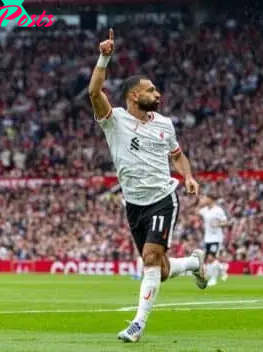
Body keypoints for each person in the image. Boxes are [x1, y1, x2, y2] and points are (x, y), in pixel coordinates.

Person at [89, 29, 208, 343]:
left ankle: (138, 324)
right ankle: (195, 262)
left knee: (152, 259)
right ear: (133, 96)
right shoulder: (113, 119)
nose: (157, 94)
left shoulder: (164, 124)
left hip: (162, 198)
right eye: (151, 90)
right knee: (162, 268)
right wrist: (104, 57)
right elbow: (93, 92)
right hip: (134, 203)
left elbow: (178, 156)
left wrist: (189, 176)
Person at [197, 194, 229, 286]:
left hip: (216, 238)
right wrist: (200, 204)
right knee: (208, 260)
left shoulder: (218, 210)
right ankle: (222, 268)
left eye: (205, 198)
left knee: (211, 259)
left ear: (211, 199)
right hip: (207, 238)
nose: (204, 199)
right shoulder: (205, 210)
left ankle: (213, 279)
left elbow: (226, 222)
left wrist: (218, 224)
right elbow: (196, 212)